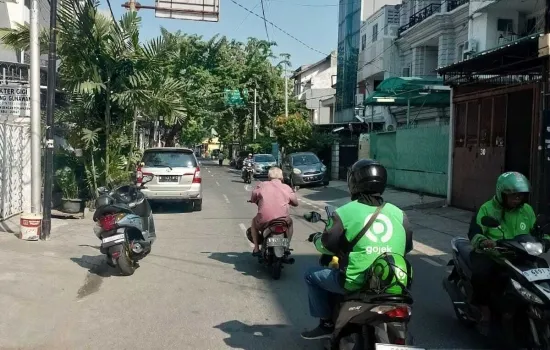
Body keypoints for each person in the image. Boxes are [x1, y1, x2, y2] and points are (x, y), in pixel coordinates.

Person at [301, 159, 413, 340]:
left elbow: (328, 246)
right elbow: (406, 247)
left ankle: (326, 323)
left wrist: (316, 240)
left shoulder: (345, 212)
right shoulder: (399, 214)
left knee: (311, 275)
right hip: (393, 283)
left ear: (353, 183)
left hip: (356, 282)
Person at [468, 171, 550, 334]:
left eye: (520, 196)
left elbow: (537, 230)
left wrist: (546, 239)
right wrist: (484, 241)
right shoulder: (486, 209)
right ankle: (485, 310)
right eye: (513, 196)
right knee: (481, 274)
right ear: (501, 194)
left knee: (544, 269)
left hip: (521, 255)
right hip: (494, 254)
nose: (517, 199)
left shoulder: (526, 210)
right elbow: (474, 232)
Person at [249, 167, 298, 256]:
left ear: (269, 177)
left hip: (264, 221)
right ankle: (286, 246)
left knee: (253, 222)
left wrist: (253, 200)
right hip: (283, 221)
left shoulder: (262, 185)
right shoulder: (286, 188)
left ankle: (256, 248)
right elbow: (295, 203)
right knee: (290, 223)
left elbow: (253, 197)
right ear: (282, 177)